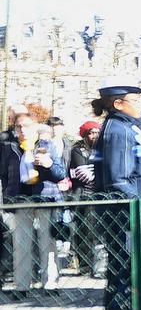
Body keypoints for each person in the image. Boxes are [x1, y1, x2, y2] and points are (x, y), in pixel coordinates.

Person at [92, 79, 141, 310]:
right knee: (124, 271)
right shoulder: (118, 130)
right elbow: (118, 179)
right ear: (118, 104)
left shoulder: (128, 127)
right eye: (136, 99)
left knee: (132, 270)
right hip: (126, 216)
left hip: (135, 212)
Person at [0, 113, 67, 298]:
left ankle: (50, 284)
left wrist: (48, 164)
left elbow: (60, 174)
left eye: (26, 126)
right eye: (19, 127)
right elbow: (4, 175)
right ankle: (22, 286)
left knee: (48, 243)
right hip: (21, 200)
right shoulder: (10, 148)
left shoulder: (47, 146)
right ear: (14, 129)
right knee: (21, 244)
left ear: (34, 128)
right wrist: (8, 197)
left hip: (45, 198)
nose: (23, 130)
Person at [68, 120, 104, 277]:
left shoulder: (102, 149)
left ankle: (97, 266)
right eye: (91, 132)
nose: (95, 135)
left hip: (99, 196)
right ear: (85, 135)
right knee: (84, 230)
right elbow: (84, 174)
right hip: (84, 196)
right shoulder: (78, 151)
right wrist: (99, 175)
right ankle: (84, 265)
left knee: (98, 232)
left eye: (97, 132)